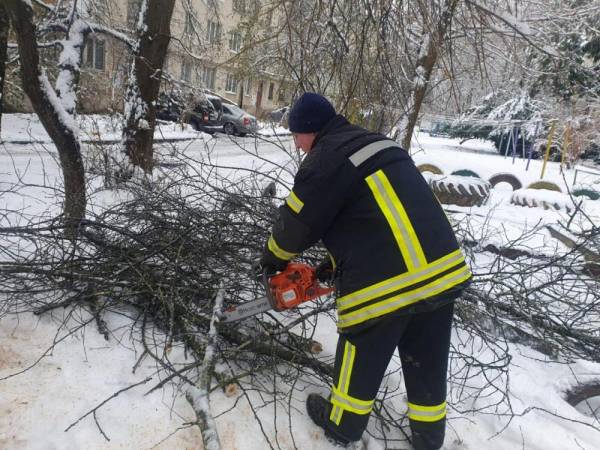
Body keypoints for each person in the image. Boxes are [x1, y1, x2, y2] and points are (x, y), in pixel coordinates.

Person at [259, 92, 472, 449]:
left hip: (386, 283)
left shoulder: (324, 159)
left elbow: (296, 224)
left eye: (296, 136)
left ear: (310, 130)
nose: (297, 146)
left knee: (360, 349)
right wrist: (332, 265)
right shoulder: (376, 144)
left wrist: (272, 261)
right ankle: (429, 436)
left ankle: (342, 426)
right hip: (441, 270)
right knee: (428, 357)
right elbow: (380, 218)